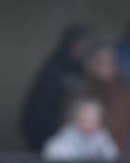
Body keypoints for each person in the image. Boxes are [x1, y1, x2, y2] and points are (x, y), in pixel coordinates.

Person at [20, 22, 94, 151]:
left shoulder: (80, 68)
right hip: (44, 129)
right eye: (84, 45)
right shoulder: (55, 68)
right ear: (72, 45)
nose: (86, 50)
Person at [81, 41, 130, 156]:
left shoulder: (127, 94)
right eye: (103, 63)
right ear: (90, 65)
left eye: (112, 63)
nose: (109, 67)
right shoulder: (81, 94)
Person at [42, 97, 119, 162]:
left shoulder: (102, 137)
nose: (90, 124)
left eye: (94, 119)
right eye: (87, 118)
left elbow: (113, 159)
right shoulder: (65, 138)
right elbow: (52, 155)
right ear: (77, 118)